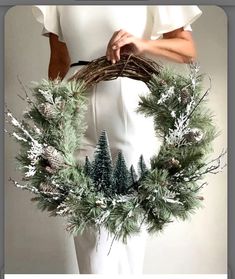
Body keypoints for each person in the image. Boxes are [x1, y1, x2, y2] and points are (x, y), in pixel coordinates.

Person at [32, 5, 202, 274]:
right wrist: (50, 114)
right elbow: (60, 60)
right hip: (77, 102)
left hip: (127, 100)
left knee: (128, 217)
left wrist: (143, 45)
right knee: (85, 217)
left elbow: (187, 49)